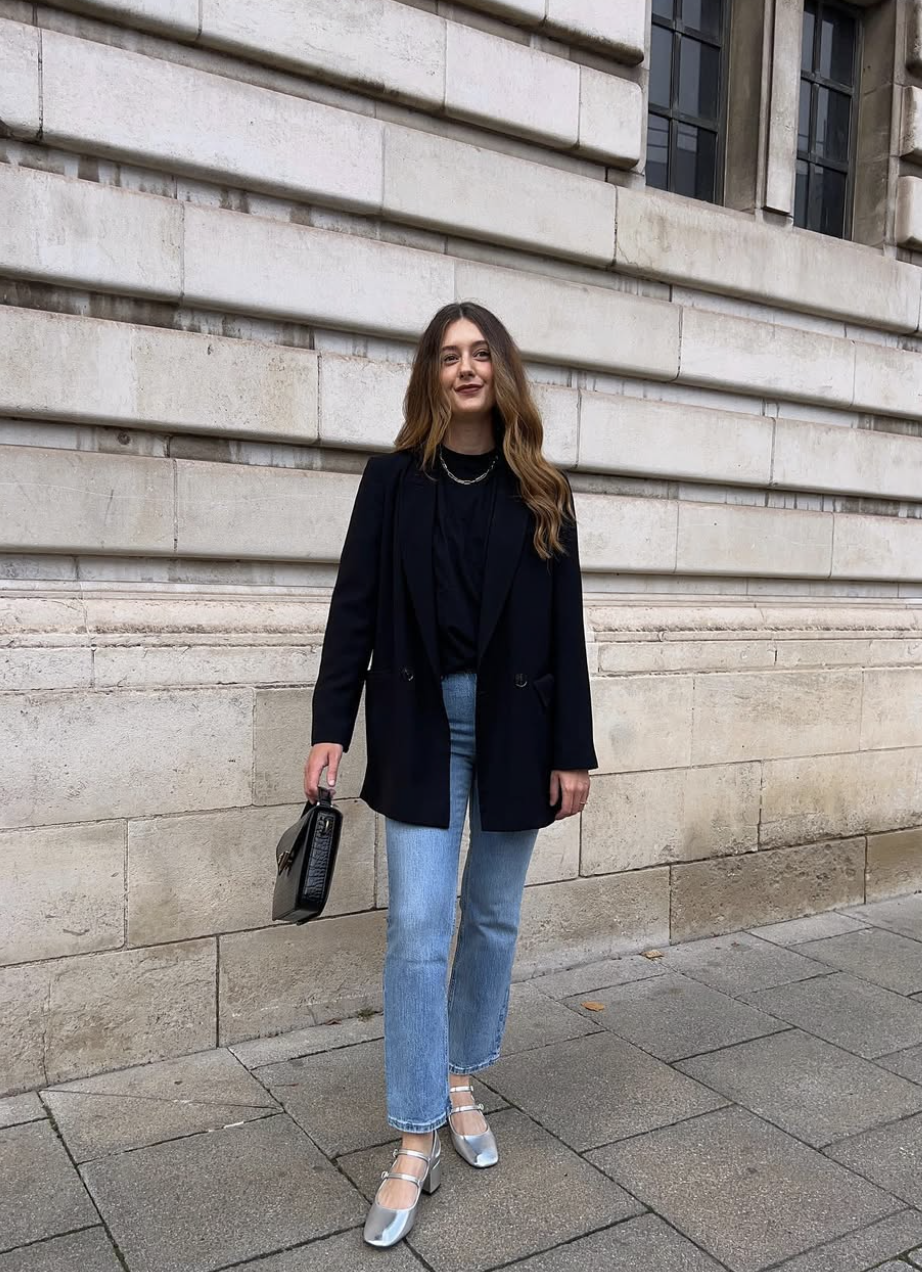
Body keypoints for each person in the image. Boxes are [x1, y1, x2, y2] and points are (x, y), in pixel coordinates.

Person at [304, 301, 597, 1249]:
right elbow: (353, 607)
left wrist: (574, 751)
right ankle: (413, 1134)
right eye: (448, 355)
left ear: (501, 370)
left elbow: (566, 633)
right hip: (422, 724)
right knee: (420, 927)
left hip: (520, 726)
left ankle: (462, 1076)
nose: (465, 368)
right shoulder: (392, 483)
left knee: (495, 915)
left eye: (480, 354)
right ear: (430, 374)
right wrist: (329, 729)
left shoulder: (542, 489)